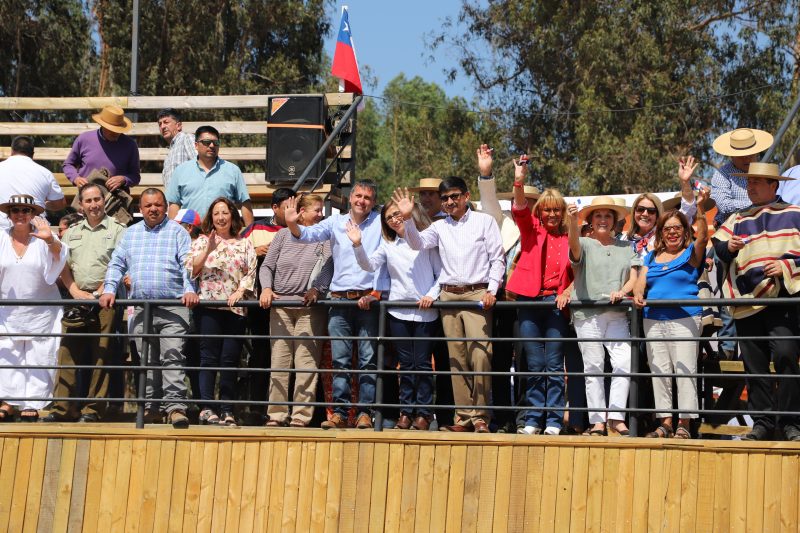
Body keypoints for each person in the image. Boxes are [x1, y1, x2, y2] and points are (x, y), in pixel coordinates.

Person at [398, 178, 505, 434]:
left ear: (467, 196)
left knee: (480, 355)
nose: (449, 202)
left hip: (477, 293)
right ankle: (464, 418)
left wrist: (492, 290)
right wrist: (407, 219)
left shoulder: (484, 221)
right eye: (445, 198)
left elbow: (497, 259)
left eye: (454, 196)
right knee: (456, 359)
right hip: (448, 296)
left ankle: (481, 417)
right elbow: (417, 243)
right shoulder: (439, 227)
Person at [286, 180, 387, 430]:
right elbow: (307, 235)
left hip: (368, 301)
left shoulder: (379, 222)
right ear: (350, 198)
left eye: (367, 197)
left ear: (373, 202)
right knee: (340, 361)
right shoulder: (335, 222)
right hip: (340, 300)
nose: (362, 201)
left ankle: (364, 413)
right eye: (359, 196)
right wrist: (291, 222)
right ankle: (340, 413)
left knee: (368, 359)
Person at [711, 162, 800, 441]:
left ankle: (790, 423)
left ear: (774, 185)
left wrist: (786, 268)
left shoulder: (795, 214)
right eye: (749, 183)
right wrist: (729, 248)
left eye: (757, 182)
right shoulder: (737, 218)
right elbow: (720, 250)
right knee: (754, 364)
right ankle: (762, 423)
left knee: (786, 356)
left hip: (782, 298)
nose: (750, 187)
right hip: (746, 300)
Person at [100, 188, 199, 429]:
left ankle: (175, 408)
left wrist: (190, 289)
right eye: (147, 205)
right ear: (140, 209)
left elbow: (188, 264)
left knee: (173, 357)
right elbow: (117, 263)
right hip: (141, 307)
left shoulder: (178, 232)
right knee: (146, 360)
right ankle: (153, 408)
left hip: (173, 307)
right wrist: (109, 288)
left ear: (165, 207)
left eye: (157, 205)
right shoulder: (130, 234)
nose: (153, 209)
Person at [346, 199, 442, 430]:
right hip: (398, 311)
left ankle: (424, 413)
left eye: (398, 214)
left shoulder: (426, 242)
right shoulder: (389, 245)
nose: (395, 220)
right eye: (389, 217)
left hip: (425, 312)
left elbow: (441, 274)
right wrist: (357, 244)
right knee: (406, 365)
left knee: (423, 365)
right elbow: (369, 266)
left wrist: (431, 295)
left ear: (409, 214)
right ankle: (406, 413)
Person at [633, 187, 710, 440]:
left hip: (685, 317)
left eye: (677, 228)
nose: (673, 232)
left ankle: (684, 424)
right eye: (667, 229)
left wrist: (699, 208)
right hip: (653, 320)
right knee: (660, 371)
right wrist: (638, 292)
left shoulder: (690, 253)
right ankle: (665, 422)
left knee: (684, 370)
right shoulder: (652, 257)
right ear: (661, 234)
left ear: (684, 230)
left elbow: (702, 239)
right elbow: (641, 280)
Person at [45, 184, 126, 423]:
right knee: (67, 352)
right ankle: (62, 409)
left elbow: (120, 264)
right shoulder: (71, 232)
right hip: (77, 298)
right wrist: (73, 290)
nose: (93, 205)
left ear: (104, 200)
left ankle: (92, 410)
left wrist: (102, 291)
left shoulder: (119, 230)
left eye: (97, 199)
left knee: (100, 355)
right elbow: (63, 265)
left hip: (105, 301)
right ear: (81, 205)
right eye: (88, 201)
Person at [506, 156, 573, 435]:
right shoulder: (531, 230)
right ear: (540, 213)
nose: (552, 215)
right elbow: (520, 209)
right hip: (530, 302)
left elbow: (578, 270)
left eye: (556, 210)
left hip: (556, 304)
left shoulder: (571, 237)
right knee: (534, 364)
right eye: (547, 211)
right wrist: (519, 179)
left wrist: (568, 290)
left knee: (554, 365)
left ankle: (555, 421)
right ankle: (533, 419)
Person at [476, 145, 539, 433]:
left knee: (527, 358)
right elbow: (489, 204)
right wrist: (486, 174)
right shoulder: (504, 224)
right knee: (499, 359)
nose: (526, 202)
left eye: (532, 200)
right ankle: (501, 416)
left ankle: (526, 417)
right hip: (501, 300)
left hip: (530, 302)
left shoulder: (546, 230)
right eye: (522, 197)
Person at [566, 196, 640, 436]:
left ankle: (616, 418)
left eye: (608, 216)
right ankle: (597, 420)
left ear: (615, 221)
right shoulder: (585, 243)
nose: (603, 220)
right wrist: (571, 220)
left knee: (623, 363)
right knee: (594, 366)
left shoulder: (627, 247)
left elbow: (634, 277)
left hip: (617, 314)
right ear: (590, 220)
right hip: (588, 314)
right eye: (598, 215)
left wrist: (623, 291)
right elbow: (574, 247)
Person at [260, 194, 332, 427]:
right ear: (301, 212)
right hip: (280, 307)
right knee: (279, 363)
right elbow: (267, 266)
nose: (321, 214)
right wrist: (266, 288)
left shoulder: (324, 236)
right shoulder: (282, 235)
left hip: (309, 308)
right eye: (317, 210)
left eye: (322, 210)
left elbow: (329, 267)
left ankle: (301, 417)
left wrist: (317, 289)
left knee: (306, 364)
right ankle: (276, 415)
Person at [188, 197, 257, 426]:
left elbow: (251, 272)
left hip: (235, 309)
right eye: (216, 213)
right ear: (211, 217)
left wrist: (241, 291)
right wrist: (208, 248)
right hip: (208, 308)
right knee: (208, 359)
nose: (221, 217)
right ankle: (207, 408)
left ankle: (228, 410)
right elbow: (192, 270)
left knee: (230, 360)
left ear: (232, 215)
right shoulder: (200, 241)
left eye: (225, 212)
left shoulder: (244, 243)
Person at [0, 195, 67, 421]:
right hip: (8, 311)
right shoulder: (0, 238)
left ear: (33, 214)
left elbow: (60, 256)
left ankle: (33, 403)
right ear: (9, 214)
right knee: (9, 357)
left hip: (42, 310)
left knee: (40, 356)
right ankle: (9, 401)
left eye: (26, 210)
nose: (20, 214)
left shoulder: (44, 237)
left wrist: (50, 240)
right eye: (15, 210)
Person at [241, 187, 296, 417]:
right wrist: (255, 251)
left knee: (290, 356)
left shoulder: (301, 229)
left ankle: (288, 409)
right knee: (261, 353)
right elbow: (235, 253)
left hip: (291, 302)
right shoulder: (255, 228)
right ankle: (256, 407)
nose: (293, 211)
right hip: (260, 304)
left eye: (295, 206)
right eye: (287, 207)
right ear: (275, 208)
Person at [166, 125, 253, 225]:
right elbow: (174, 205)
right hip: (190, 234)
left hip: (223, 234)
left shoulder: (233, 170)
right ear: (196, 145)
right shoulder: (181, 171)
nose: (211, 145)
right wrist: (174, 233)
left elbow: (245, 203)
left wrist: (249, 233)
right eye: (206, 142)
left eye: (215, 143)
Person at [63, 105, 141, 190]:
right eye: (111, 129)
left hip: (115, 199)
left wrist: (124, 179)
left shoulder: (130, 145)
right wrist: (75, 178)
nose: (115, 132)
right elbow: (68, 165)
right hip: (87, 197)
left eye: (117, 129)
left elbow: (135, 177)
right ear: (102, 125)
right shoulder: (84, 139)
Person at [0, 136, 65, 229]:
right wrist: (41, 205)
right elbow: (60, 204)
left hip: (2, 227)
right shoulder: (45, 173)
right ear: (32, 154)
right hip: (34, 230)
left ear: (12, 151)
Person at [157, 108, 197, 187]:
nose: (162, 126)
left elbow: (201, 166)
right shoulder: (170, 152)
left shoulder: (187, 138)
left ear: (178, 126)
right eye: (160, 124)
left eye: (166, 122)